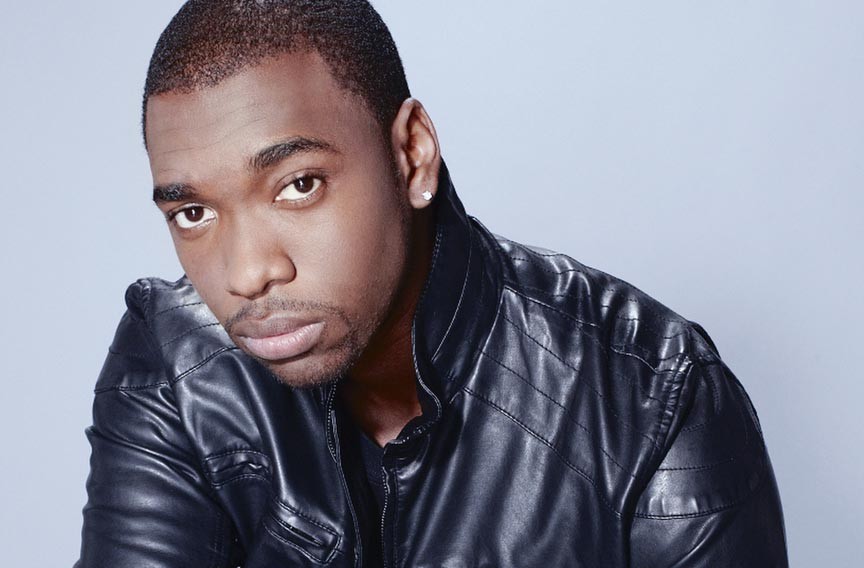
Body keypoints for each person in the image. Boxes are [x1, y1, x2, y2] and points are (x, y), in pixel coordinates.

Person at [75, 1, 789, 566]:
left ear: (412, 155)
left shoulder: (651, 397)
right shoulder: (176, 360)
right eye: (193, 213)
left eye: (299, 185)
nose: (247, 273)